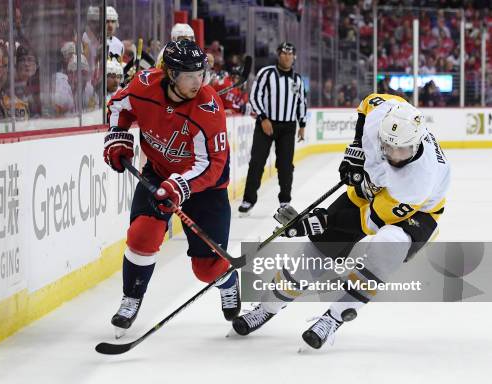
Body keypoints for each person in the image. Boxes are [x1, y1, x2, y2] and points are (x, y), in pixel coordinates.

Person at [231, 93, 451, 350]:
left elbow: (369, 221)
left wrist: (320, 220)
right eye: (386, 146)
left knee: (386, 248)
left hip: (418, 213)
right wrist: (357, 151)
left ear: (415, 145)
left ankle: (333, 318)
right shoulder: (384, 117)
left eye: (400, 150)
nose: (391, 154)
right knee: (317, 251)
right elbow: (369, 102)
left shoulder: (417, 182)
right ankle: (267, 307)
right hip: (377, 189)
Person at [104, 39, 239, 338]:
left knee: (205, 269)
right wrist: (118, 136)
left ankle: (227, 281)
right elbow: (118, 106)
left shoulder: (208, 106)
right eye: (189, 75)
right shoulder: (143, 84)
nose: (197, 82)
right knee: (142, 234)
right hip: (158, 173)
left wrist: (179, 186)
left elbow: (213, 163)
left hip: (206, 188)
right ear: (170, 74)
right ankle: (131, 298)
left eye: (200, 73)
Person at [238, 42, 307, 215]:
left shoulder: (297, 79)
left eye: (290, 54)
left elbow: (301, 102)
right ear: (278, 55)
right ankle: (248, 199)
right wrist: (263, 118)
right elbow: (255, 96)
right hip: (266, 125)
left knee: (285, 165)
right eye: (284, 53)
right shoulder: (266, 73)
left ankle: (285, 200)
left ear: (294, 57)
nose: (287, 57)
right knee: (257, 162)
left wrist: (302, 124)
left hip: (288, 127)